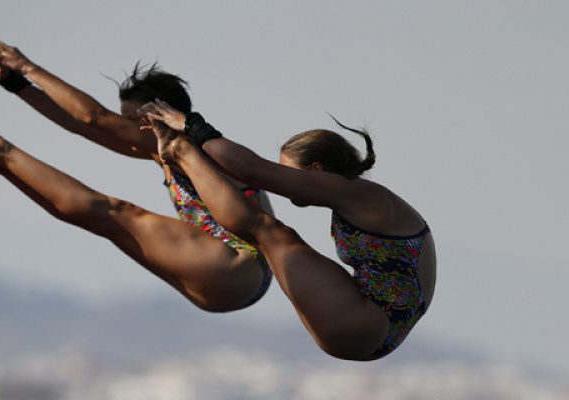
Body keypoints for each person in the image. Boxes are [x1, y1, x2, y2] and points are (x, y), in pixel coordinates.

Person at [0, 36, 275, 312]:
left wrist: (28, 67)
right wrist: (16, 84)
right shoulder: (167, 154)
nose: (128, 128)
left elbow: (93, 118)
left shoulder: (195, 146)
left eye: (133, 120)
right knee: (107, 222)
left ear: (161, 113)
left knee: (117, 213)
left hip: (237, 267)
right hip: (223, 282)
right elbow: (80, 125)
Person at [139, 100, 436, 360]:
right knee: (273, 237)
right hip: (375, 323)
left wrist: (191, 126)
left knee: (269, 232)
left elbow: (253, 170)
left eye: (288, 173)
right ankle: (184, 153)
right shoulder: (364, 200)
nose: (285, 187)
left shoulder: (360, 194)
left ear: (317, 170)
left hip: (365, 325)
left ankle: (181, 152)